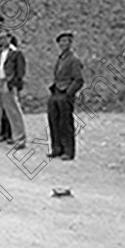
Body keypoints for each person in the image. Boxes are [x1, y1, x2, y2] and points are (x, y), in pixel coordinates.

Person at [0, 31, 26, 147]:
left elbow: (20, 71)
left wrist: (14, 84)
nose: (2, 40)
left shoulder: (16, 53)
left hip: (8, 81)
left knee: (13, 110)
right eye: (0, 38)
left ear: (10, 38)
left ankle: (19, 137)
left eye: (4, 38)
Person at [47, 30, 84, 160]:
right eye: (61, 41)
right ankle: (57, 148)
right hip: (56, 92)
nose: (63, 44)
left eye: (66, 41)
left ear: (70, 43)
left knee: (66, 123)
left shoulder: (73, 60)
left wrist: (69, 94)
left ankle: (68, 151)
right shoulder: (60, 59)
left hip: (65, 94)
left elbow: (79, 80)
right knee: (53, 121)